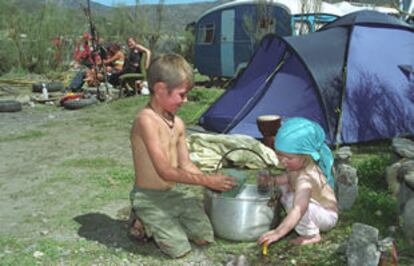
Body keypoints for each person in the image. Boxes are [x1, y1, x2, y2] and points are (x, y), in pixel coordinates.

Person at [129, 53, 236, 258]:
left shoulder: (177, 123)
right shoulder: (146, 121)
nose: (185, 100)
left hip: (172, 194)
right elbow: (165, 171)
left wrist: (210, 182)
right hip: (148, 197)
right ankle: (141, 218)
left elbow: (185, 164)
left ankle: (159, 221)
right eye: (181, 94)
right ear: (160, 89)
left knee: (205, 237)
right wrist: (206, 180)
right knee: (178, 250)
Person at [258, 117, 338, 247]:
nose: (283, 161)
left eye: (289, 158)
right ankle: (298, 221)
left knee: (292, 201)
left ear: (305, 155)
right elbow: (287, 177)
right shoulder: (297, 166)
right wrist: (272, 180)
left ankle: (311, 235)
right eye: (279, 155)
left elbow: (299, 209)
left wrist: (278, 232)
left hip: (327, 216)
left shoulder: (306, 178)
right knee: (283, 188)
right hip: (313, 207)